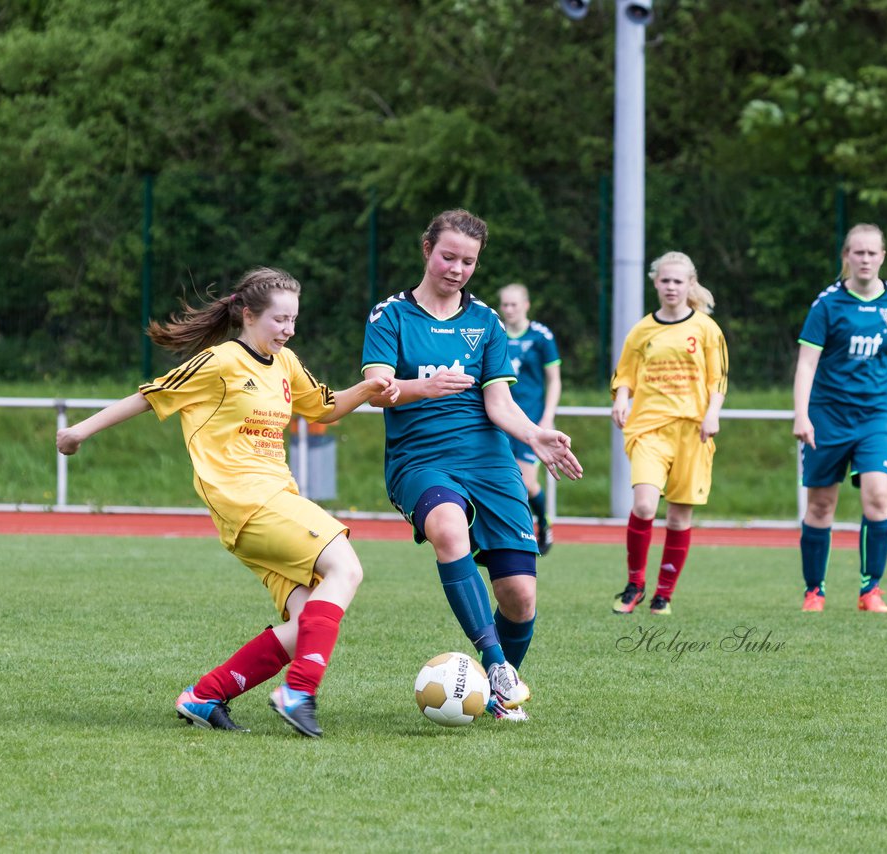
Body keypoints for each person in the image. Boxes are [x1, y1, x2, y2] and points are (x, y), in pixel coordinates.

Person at [56, 267, 397, 737]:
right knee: (347, 568)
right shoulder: (219, 362)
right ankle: (299, 691)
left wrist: (367, 390)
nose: (288, 329)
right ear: (248, 315)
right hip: (246, 501)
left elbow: (324, 408)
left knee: (306, 622)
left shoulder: (286, 363)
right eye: (280, 320)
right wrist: (78, 432)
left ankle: (205, 695)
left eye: (294, 320)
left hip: (273, 500)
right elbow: (149, 397)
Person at [362, 209, 583, 723]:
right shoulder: (389, 316)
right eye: (449, 257)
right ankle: (499, 667)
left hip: (488, 459)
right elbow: (377, 389)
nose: (457, 269)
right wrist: (421, 387)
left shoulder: (485, 322)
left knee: (520, 595)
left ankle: (496, 694)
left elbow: (499, 403)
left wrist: (535, 435)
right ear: (426, 250)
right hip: (420, 459)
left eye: (469, 261)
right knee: (447, 527)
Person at [793, 223, 887, 613]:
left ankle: (871, 590)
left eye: (872, 253)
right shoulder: (827, 304)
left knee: (879, 497)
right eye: (857, 253)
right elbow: (807, 363)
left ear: (883, 256)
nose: (865, 259)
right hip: (827, 415)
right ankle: (815, 590)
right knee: (820, 506)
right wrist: (802, 415)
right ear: (845, 256)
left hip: (877, 415)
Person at [609, 251, 728, 616]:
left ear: (690, 284)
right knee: (644, 504)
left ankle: (664, 593)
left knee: (678, 517)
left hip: (693, 431)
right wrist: (622, 399)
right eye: (665, 280)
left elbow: (717, 378)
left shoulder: (707, 329)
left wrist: (712, 414)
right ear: (655, 283)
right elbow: (625, 373)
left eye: (679, 281)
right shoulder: (642, 330)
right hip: (648, 428)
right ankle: (635, 584)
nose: (672, 287)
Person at [497, 283, 563, 556]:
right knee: (500, 479)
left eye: (514, 304)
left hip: (530, 422)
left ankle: (541, 523)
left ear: (526, 305)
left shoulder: (541, 336)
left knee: (525, 482)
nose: (509, 309)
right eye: (505, 305)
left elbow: (554, 381)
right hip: (499, 418)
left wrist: (547, 417)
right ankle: (505, 535)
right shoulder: (496, 333)